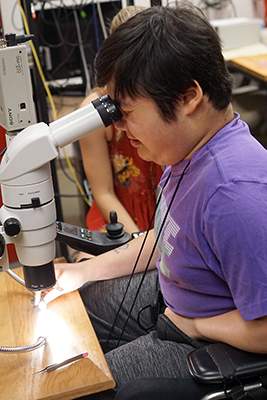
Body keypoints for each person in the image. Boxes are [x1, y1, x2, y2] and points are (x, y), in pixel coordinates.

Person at [41, 5, 267, 400]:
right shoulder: (183, 152)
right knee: (74, 305)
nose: (119, 128)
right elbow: (164, 237)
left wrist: (198, 326)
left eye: (126, 112)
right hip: (175, 296)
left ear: (188, 98)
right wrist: (87, 270)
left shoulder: (233, 194)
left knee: (78, 385)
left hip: (211, 337)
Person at [79, 6, 162, 235]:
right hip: (119, 217)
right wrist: (138, 242)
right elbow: (103, 192)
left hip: (166, 211)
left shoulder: (165, 100)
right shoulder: (95, 112)